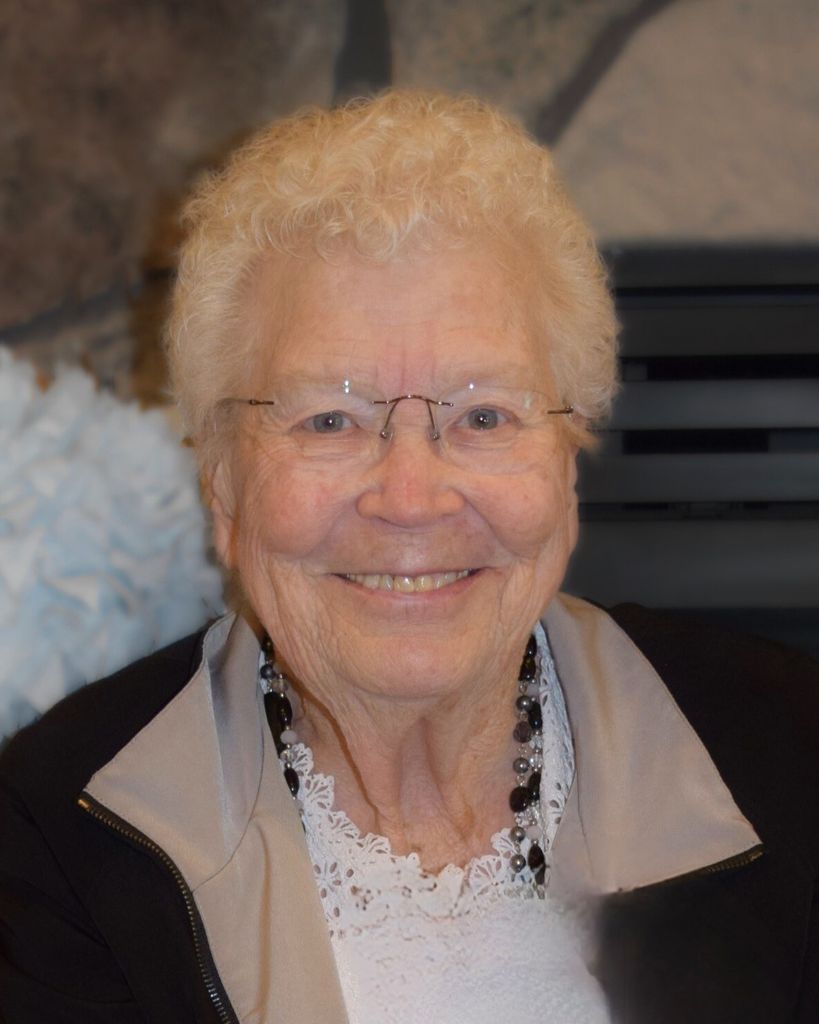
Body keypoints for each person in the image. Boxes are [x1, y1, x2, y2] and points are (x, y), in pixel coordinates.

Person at [1, 90, 817, 1024]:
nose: (411, 497)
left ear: (565, 466)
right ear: (222, 485)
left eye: (483, 415)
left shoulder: (791, 753)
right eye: (329, 420)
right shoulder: (61, 836)